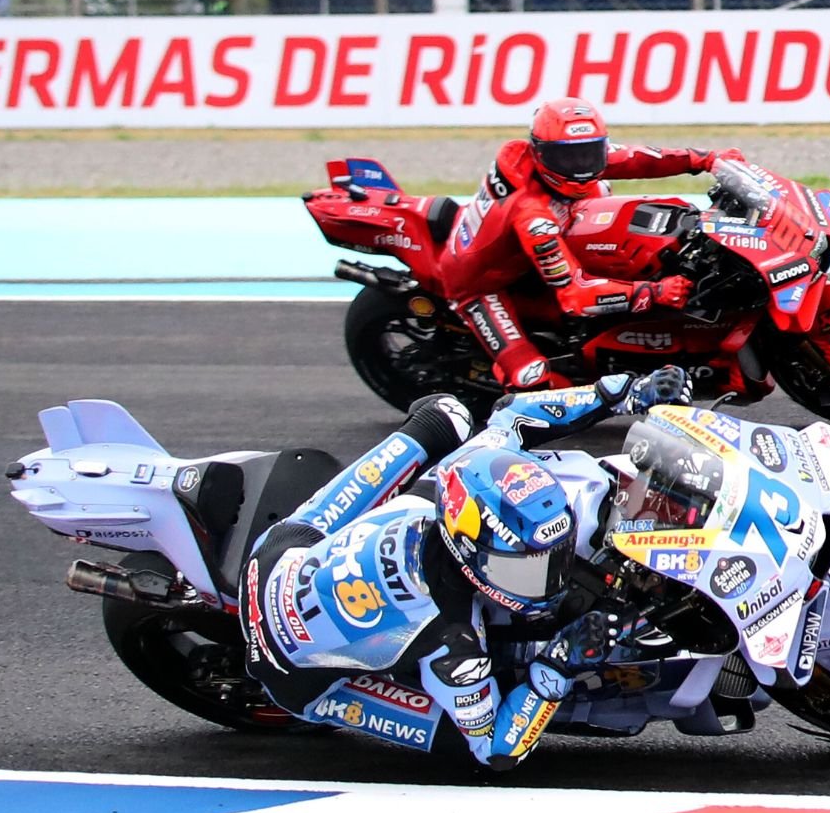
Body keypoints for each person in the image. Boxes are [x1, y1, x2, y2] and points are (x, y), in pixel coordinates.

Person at [239, 370, 692, 770]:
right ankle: (330, 698)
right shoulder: (455, 644)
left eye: (554, 559)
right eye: (527, 570)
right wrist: (561, 662)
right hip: (289, 663)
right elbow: (498, 748)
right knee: (467, 749)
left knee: (446, 416)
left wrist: (625, 392)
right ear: (467, 553)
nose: (549, 584)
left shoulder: (470, 466)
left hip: (286, 549)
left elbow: (515, 413)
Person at [434, 98, 742, 391]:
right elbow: (575, 297)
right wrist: (652, 292)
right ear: (540, 153)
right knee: (531, 377)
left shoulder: (566, 160)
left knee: (616, 212)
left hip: (532, 249)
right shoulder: (532, 215)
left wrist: (707, 159)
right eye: (568, 157)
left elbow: (636, 159)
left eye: (589, 153)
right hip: (481, 284)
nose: (580, 166)